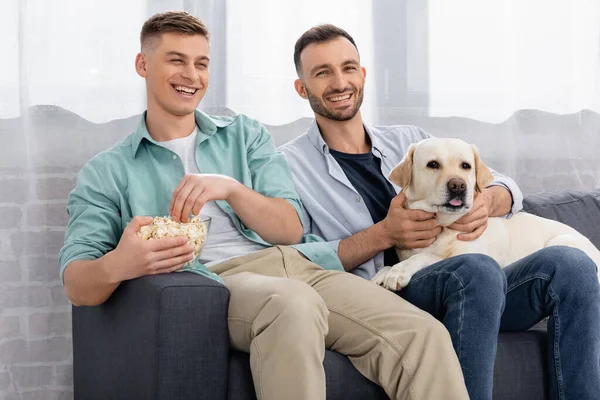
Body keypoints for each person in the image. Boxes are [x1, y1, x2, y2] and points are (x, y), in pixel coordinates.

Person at [58, 11, 470, 400]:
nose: (191, 75)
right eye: (176, 60)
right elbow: (77, 283)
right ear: (143, 65)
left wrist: (231, 189)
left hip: (299, 262)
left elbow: (290, 227)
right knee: (293, 304)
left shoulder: (245, 136)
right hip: (222, 280)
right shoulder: (107, 171)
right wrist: (122, 263)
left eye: (201, 63)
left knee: (423, 334)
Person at [280, 23, 600, 400]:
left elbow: (503, 185)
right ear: (302, 88)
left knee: (573, 264)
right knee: (477, 270)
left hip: (470, 288)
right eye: (322, 72)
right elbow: (298, 259)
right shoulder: (288, 166)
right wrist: (384, 235)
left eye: (348, 67)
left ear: (362, 75)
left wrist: (486, 202)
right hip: (380, 295)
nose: (340, 82)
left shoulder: (412, 140)